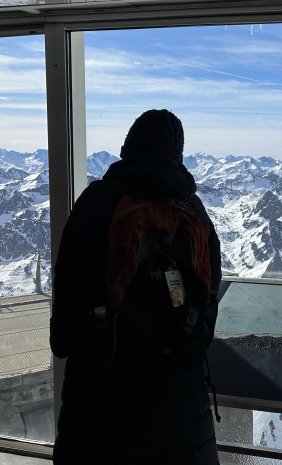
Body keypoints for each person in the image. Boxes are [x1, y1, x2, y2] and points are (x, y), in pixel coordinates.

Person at [50, 109, 222, 465]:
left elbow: (64, 330)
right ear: (178, 154)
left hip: (101, 408)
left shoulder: (97, 203)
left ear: (127, 147)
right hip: (181, 407)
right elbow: (207, 303)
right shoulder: (194, 210)